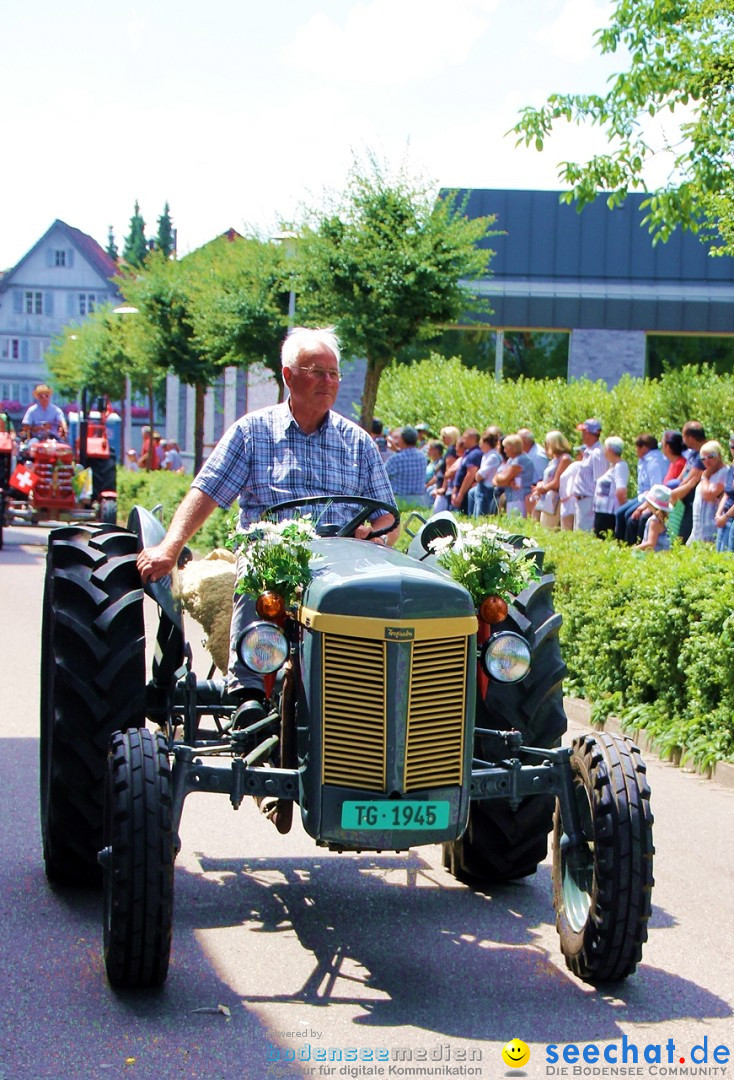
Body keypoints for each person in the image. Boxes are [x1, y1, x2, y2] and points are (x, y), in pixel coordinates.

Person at [137, 326, 397, 712]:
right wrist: (170, 548)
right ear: (288, 376)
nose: (328, 382)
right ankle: (249, 691)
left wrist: (374, 539)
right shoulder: (253, 432)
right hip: (273, 561)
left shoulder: (358, 442)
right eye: (317, 371)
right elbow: (207, 491)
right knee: (257, 577)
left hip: (342, 567)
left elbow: (386, 518)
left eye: (334, 373)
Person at [614, 433, 667, 544]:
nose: (636, 451)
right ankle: (620, 545)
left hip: (650, 497)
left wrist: (643, 507)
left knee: (630, 517)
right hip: (642, 496)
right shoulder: (644, 460)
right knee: (620, 513)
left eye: (637, 448)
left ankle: (631, 545)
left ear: (644, 447)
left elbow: (655, 486)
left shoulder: (653, 461)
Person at [668, 421, 706, 542]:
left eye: (684, 437)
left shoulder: (703, 454)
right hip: (683, 495)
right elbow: (683, 476)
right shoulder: (693, 452)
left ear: (691, 438)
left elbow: (692, 478)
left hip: (692, 499)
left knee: (683, 534)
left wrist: (676, 492)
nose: (683, 440)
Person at [687, 440, 728, 544]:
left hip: (713, 531)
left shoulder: (725, 472)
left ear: (718, 455)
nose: (707, 461)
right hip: (698, 531)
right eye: (703, 459)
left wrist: (704, 477)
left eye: (711, 456)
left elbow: (708, 494)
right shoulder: (709, 474)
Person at [571, 419, 606, 531]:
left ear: (590, 434)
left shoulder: (597, 453)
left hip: (589, 501)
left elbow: (599, 480)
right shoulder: (589, 451)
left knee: (584, 534)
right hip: (582, 501)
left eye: (584, 432)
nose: (583, 435)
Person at [532, 430, 572, 530]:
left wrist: (542, 489)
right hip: (547, 499)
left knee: (548, 527)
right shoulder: (554, 459)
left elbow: (557, 482)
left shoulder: (565, 459)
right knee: (541, 525)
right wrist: (541, 484)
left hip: (556, 500)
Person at [385, 425, 430, 507]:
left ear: (402, 440)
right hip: (419, 502)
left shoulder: (395, 459)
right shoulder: (423, 457)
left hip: (399, 503)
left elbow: (382, 476)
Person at [593, 436, 628, 537]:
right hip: (602, 511)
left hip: (609, 513)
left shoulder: (620, 466)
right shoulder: (612, 466)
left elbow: (621, 490)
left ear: (609, 450)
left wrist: (622, 509)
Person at [494, 433, 534, 517]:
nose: (504, 450)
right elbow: (496, 480)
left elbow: (504, 479)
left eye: (506, 447)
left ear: (513, 447)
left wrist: (504, 480)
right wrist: (507, 481)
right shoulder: (512, 460)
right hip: (512, 498)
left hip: (520, 499)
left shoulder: (521, 460)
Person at [451, 428, 482, 514]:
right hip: (460, 491)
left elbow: (470, 474)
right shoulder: (468, 453)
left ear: (472, 439)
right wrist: (455, 491)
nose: (463, 440)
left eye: (465, 438)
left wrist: (460, 495)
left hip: (465, 493)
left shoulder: (475, 454)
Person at [636, 484, 673, 552]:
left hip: (653, 556)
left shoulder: (654, 522)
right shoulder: (665, 519)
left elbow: (651, 544)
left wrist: (632, 549)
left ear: (651, 504)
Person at [714, 435, 734, 552]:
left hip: (730, 517)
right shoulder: (732, 465)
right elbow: (726, 493)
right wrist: (718, 513)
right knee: (719, 553)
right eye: (732, 446)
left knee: (729, 554)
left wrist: (725, 517)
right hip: (725, 515)